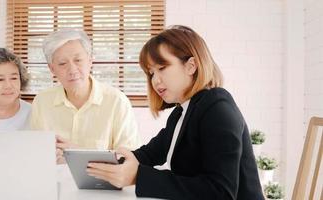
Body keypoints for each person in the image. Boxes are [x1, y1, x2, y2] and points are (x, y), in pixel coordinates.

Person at [86, 25, 265, 200]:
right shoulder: (182, 112)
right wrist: (111, 164)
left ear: (191, 66)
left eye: (162, 68)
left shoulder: (218, 110)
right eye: (151, 73)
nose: (155, 80)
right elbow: (149, 154)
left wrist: (138, 176)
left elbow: (221, 192)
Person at [30, 29, 141, 163]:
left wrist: (78, 155)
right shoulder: (42, 102)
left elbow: (128, 160)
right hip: (53, 182)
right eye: (62, 63)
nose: (72, 70)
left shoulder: (116, 101)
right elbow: (36, 154)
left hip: (101, 183)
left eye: (78, 60)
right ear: (52, 69)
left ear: (90, 61)